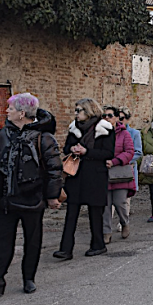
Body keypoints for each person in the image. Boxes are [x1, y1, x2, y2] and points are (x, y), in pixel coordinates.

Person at [0, 93, 62, 295]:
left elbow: (54, 170)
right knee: (2, 239)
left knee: (32, 240)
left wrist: (52, 196)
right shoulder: (2, 136)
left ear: (22, 113)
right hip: (5, 199)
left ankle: (29, 278)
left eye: (11, 109)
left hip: (33, 198)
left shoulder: (43, 137)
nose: (7, 112)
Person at [54, 98, 114, 261]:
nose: (76, 113)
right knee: (71, 212)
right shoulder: (74, 128)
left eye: (79, 110)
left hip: (95, 175)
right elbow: (66, 147)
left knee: (95, 213)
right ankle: (65, 249)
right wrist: (72, 149)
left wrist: (87, 152)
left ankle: (98, 244)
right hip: (77, 174)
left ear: (88, 111)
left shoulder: (105, 128)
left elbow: (108, 152)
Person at [102, 106, 135, 244]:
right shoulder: (99, 133)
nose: (107, 118)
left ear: (116, 117)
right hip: (103, 173)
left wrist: (114, 161)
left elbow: (129, 151)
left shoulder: (124, 133)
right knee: (105, 205)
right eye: (104, 116)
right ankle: (106, 232)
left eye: (110, 115)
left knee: (120, 202)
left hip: (119, 173)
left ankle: (124, 222)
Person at [118, 107, 144, 216]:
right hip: (113, 168)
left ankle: (123, 222)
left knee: (126, 198)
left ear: (127, 119)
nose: (119, 120)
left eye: (122, 118)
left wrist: (122, 160)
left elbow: (138, 152)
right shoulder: (109, 133)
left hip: (128, 167)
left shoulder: (134, 133)